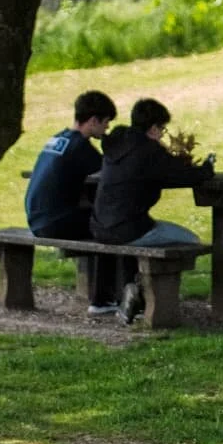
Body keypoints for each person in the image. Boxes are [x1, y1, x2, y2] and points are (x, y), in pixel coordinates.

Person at [92, 97, 216, 322]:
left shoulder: (118, 139)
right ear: (153, 128)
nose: (162, 135)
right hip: (130, 229)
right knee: (190, 241)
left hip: (100, 226)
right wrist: (207, 167)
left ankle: (131, 289)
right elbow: (186, 174)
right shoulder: (149, 151)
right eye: (162, 129)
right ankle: (142, 294)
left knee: (143, 234)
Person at [25, 90, 122, 316]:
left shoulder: (58, 138)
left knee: (99, 219)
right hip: (54, 221)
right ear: (93, 121)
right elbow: (111, 173)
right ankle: (102, 299)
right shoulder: (80, 147)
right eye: (106, 123)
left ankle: (104, 295)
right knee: (112, 226)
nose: (107, 129)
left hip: (36, 218)